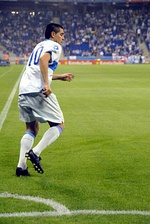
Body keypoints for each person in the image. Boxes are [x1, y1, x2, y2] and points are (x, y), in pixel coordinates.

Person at [16, 23, 74, 177]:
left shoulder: (39, 45)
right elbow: (43, 60)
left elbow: (39, 67)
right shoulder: (54, 46)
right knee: (59, 124)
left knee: (31, 128)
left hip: (24, 91)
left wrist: (59, 77)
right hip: (38, 91)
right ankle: (35, 152)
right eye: (61, 34)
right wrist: (47, 84)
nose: (63, 37)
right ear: (53, 34)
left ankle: (21, 167)